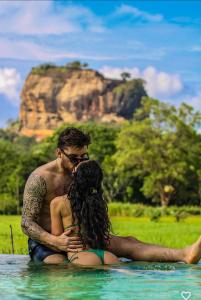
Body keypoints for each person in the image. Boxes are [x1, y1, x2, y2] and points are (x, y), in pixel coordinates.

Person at [21, 127, 201, 264]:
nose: (80, 163)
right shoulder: (40, 178)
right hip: (46, 242)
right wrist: (56, 241)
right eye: (74, 158)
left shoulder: (83, 172)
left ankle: (185, 254)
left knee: (129, 243)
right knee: (59, 265)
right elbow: (26, 223)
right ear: (59, 153)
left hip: (85, 239)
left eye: (84, 157)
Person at [50, 160, 119, 265]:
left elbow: (57, 240)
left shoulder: (58, 203)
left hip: (80, 256)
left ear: (76, 176)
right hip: (106, 255)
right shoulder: (98, 202)